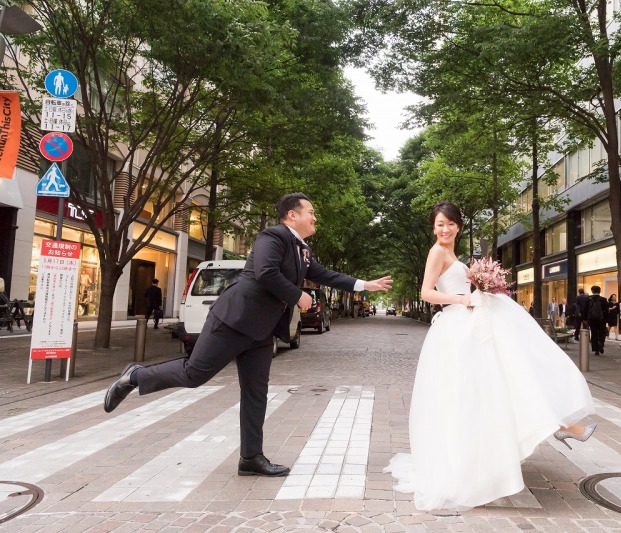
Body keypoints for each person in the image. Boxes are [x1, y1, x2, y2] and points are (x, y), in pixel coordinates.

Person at [103, 193, 392, 477]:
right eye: (311, 212)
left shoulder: (302, 249)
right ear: (293, 215)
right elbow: (266, 272)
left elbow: (326, 275)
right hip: (233, 319)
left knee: (256, 393)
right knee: (194, 375)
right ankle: (135, 377)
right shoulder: (273, 237)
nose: (315, 217)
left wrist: (365, 285)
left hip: (261, 330)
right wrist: (297, 295)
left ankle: (251, 457)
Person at [384, 201, 595, 511]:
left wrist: (485, 286)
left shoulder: (454, 254)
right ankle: (553, 429)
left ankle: (557, 426)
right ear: (433, 227)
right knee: (479, 393)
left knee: (499, 384)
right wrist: (464, 299)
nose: (446, 229)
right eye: (440, 224)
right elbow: (426, 293)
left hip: (469, 325)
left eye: (451, 223)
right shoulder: (436, 252)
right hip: (456, 330)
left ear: (458, 226)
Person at [586, 286, 609, 355]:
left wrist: (585, 319)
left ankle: (596, 350)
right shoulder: (604, 299)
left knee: (594, 333)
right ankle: (601, 343)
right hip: (601, 320)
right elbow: (607, 311)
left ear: (592, 291)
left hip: (592, 320)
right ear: (600, 291)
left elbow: (585, 310)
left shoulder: (589, 299)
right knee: (602, 332)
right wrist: (607, 320)